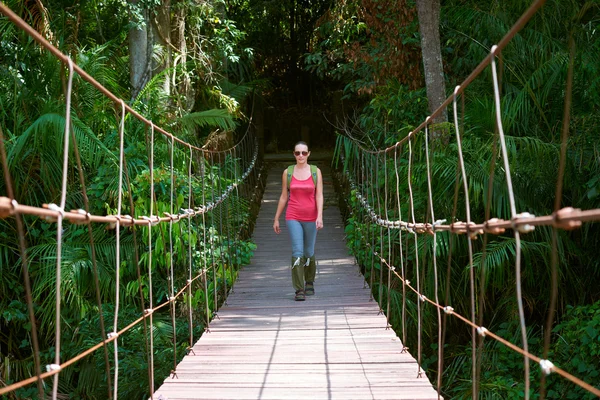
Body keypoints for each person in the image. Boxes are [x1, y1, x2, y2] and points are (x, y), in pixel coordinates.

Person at [273, 141, 324, 301]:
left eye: (303, 153)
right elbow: (283, 196)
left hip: (311, 217)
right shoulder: (287, 172)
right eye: (297, 153)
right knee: (297, 252)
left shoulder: (316, 172)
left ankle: (309, 281)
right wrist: (276, 218)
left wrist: (320, 216)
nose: (300, 156)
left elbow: (319, 195)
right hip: (293, 216)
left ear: (309, 154)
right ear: (293, 154)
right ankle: (299, 289)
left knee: (309, 252)